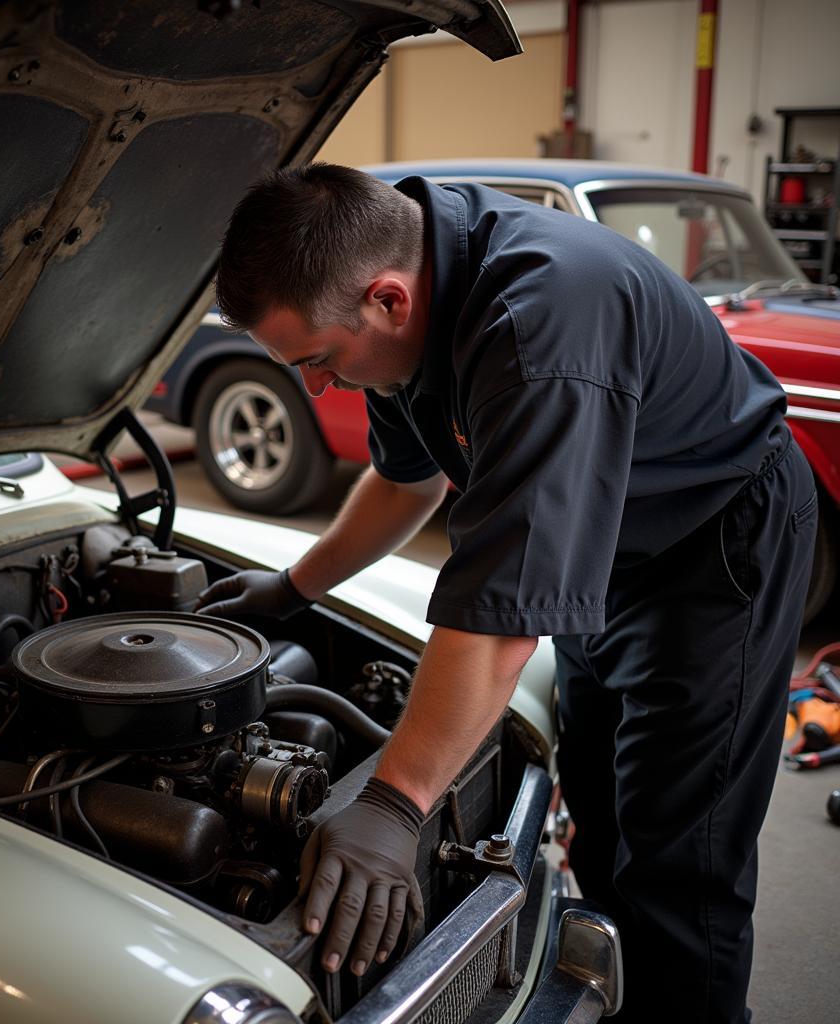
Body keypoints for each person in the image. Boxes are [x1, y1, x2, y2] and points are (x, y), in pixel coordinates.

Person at [196, 164, 816, 1023]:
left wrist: (391, 803)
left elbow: (500, 622)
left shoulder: (538, 323)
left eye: (318, 361)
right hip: (605, 549)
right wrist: (292, 587)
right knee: (599, 809)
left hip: (711, 547)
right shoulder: (404, 293)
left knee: (682, 858)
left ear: (387, 301)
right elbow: (405, 482)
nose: (314, 387)